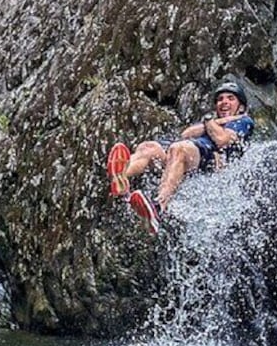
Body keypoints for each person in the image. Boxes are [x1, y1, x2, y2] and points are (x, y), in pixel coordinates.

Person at [107, 81, 255, 234]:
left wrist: (211, 122)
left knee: (179, 149)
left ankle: (159, 208)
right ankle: (121, 178)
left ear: (241, 107)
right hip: (185, 159)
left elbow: (222, 140)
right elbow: (186, 134)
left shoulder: (243, 121)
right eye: (220, 99)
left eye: (230, 98)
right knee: (149, 147)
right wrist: (216, 121)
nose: (224, 102)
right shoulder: (212, 122)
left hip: (210, 162)